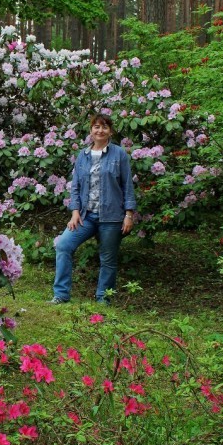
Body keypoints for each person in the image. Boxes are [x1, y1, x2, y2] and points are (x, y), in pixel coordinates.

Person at [50, 113, 136, 304]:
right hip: (85, 216)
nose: (100, 130)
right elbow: (76, 186)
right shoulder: (83, 155)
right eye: (96, 126)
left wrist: (129, 214)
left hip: (112, 216)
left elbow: (127, 185)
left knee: (107, 259)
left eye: (104, 127)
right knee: (63, 245)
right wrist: (74, 212)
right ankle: (61, 295)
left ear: (110, 131)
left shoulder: (119, 154)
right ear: (91, 131)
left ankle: (103, 299)